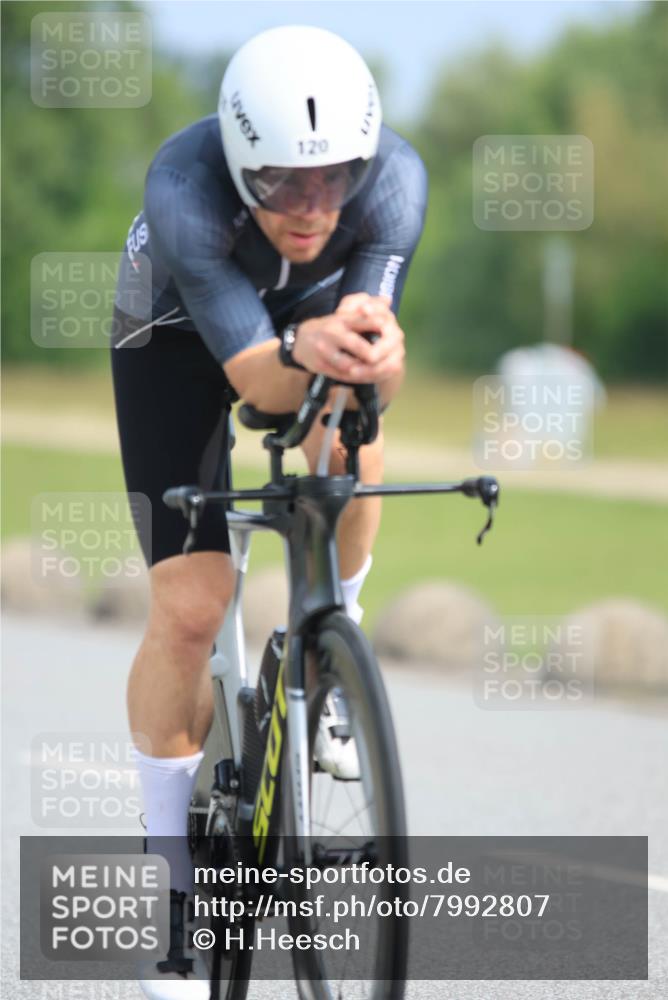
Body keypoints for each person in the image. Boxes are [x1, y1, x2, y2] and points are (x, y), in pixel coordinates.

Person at [111, 24, 427, 998]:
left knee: (357, 431)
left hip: (309, 322)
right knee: (194, 605)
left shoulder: (396, 184)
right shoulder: (185, 189)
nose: (311, 207)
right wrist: (308, 354)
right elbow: (256, 380)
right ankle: (176, 907)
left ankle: (336, 641)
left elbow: (377, 358)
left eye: (333, 178)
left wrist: (377, 359)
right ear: (241, 165)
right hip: (174, 336)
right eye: (284, 184)